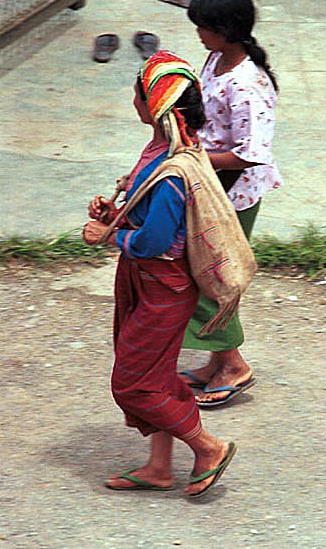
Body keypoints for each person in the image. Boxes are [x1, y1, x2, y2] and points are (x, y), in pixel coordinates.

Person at [83, 50, 237, 497]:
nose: (133, 99)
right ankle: (159, 467)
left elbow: (153, 243)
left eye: (138, 92)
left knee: (132, 383)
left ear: (156, 107)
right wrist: (116, 214)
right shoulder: (165, 149)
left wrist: (108, 237)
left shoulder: (171, 172)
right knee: (159, 375)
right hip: (149, 283)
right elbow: (151, 220)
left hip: (161, 289)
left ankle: (207, 446)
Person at [180, 0, 283, 407]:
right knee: (206, 274)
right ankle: (217, 362)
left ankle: (234, 365)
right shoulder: (217, 58)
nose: (199, 34)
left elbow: (251, 154)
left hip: (232, 195)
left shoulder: (247, 85)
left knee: (213, 278)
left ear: (226, 29)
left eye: (204, 27)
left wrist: (195, 158)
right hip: (211, 188)